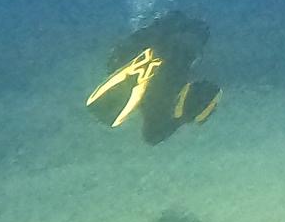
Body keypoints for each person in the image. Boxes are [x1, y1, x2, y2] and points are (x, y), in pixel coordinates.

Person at [85, 10, 221, 145]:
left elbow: (153, 135)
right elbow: (152, 136)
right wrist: (180, 118)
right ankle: (170, 33)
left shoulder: (174, 72)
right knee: (175, 52)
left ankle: (166, 30)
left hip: (150, 60)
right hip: (160, 74)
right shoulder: (162, 96)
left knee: (168, 45)